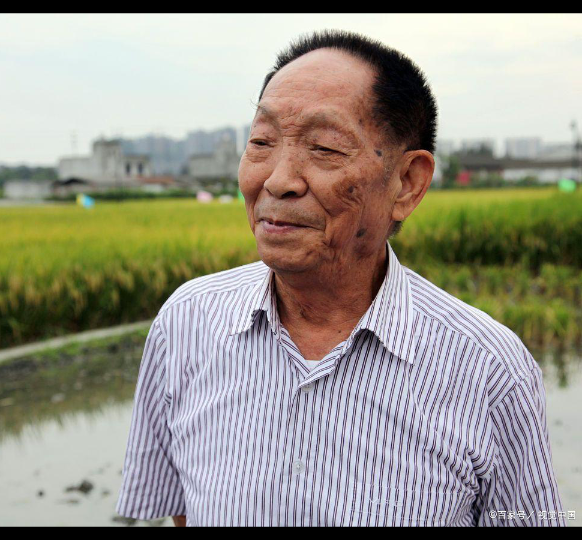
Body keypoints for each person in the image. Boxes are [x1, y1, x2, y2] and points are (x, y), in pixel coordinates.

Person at [116, 30, 564, 526]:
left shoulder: (490, 372)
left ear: (407, 183)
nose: (277, 179)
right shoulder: (187, 323)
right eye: (261, 142)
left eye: (325, 148)